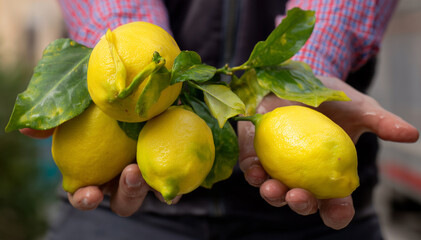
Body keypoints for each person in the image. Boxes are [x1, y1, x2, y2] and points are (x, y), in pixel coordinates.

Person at [23, 0, 419, 239]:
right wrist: (139, 59)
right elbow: (119, 35)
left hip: (311, 216)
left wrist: (304, 72)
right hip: (127, 209)